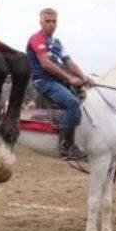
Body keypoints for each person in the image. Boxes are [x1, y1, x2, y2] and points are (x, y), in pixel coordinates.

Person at [26, 8, 93, 161]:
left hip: (57, 81)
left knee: (85, 100)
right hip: (43, 81)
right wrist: (69, 79)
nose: (51, 24)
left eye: (54, 21)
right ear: (41, 22)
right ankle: (66, 146)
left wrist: (83, 76)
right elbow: (46, 64)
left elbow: (69, 62)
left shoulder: (57, 43)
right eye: (47, 21)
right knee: (72, 103)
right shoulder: (37, 39)